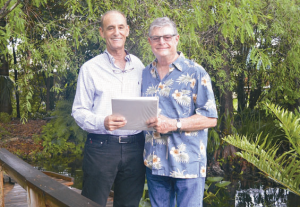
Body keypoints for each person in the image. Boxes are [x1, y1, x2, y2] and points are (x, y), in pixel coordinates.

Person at [142, 17, 218, 207]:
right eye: (156, 38)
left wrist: (174, 124)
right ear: (150, 41)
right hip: (155, 164)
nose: (162, 42)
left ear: (176, 39)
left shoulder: (196, 72)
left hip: (188, 165)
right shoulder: (145, 74)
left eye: (167, 37)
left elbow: (210, 118)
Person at [72, 10, 145, 207]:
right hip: (101, 147)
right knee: (91, 203)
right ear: (102, 32)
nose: (116, 32)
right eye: (110, 28)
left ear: (127, 31)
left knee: (129, 204)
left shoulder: (139, 66)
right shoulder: (90, 68)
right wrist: (102, 121)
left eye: (121, 27)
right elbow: (78, 111)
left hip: (136, 147)